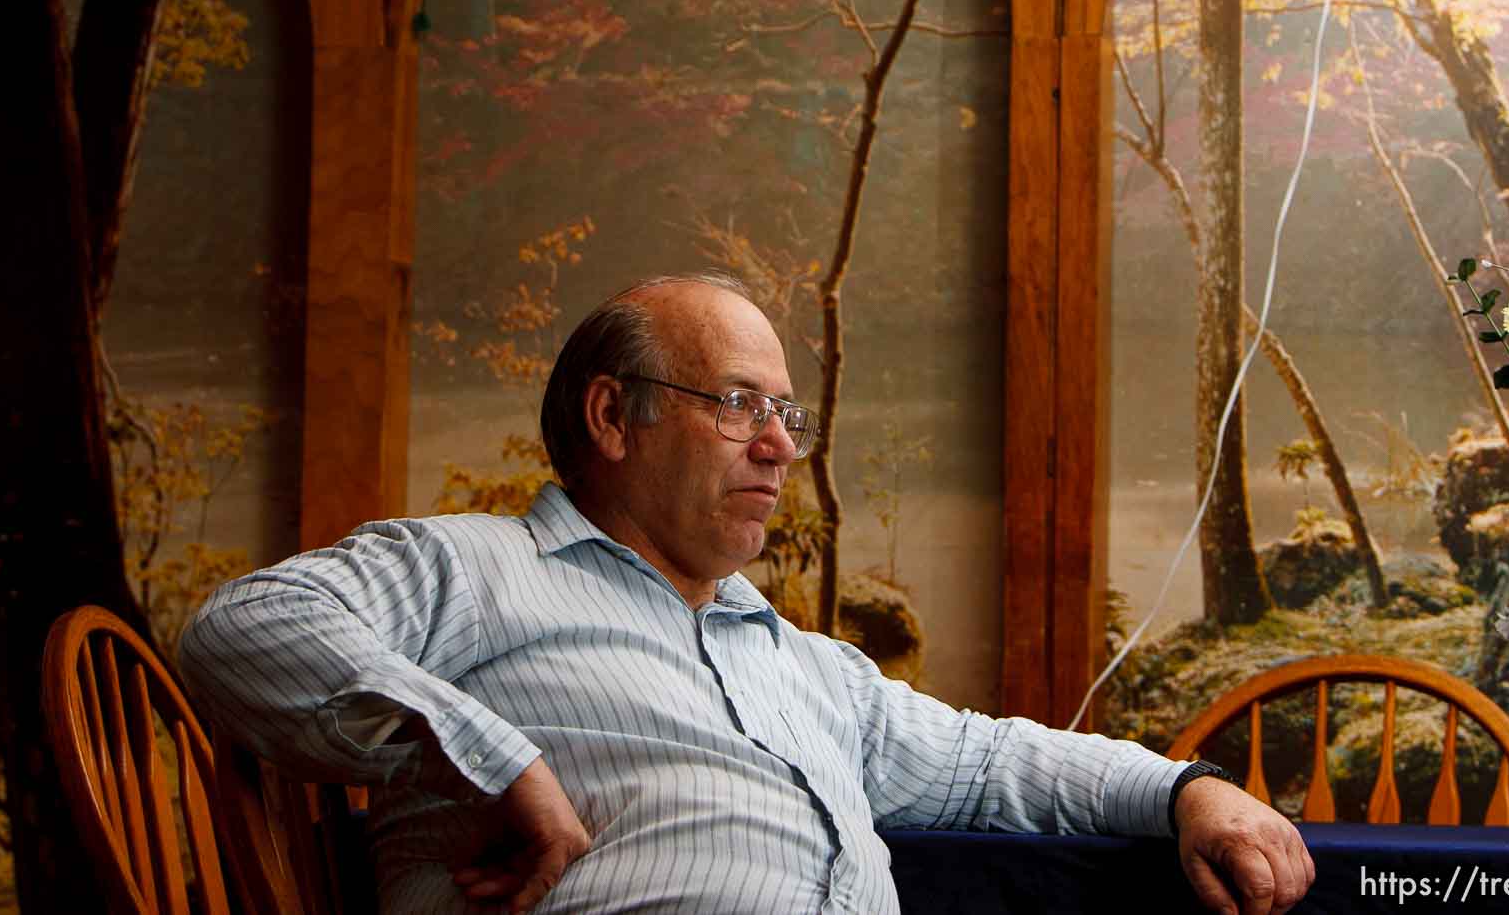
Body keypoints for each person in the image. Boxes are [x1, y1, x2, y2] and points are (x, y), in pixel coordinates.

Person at [180, 274, 1314, 914]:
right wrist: (504, 759)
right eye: (736, 403)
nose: (779, 446)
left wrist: (1192, 790)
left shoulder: (797, 660)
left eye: (788, 414)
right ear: (614, 417)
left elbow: (986, 762)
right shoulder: (475, 567)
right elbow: (241, 629)